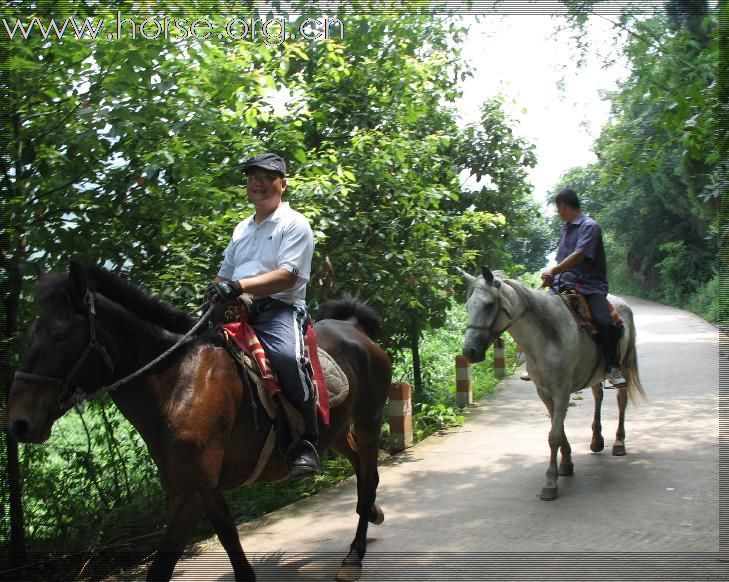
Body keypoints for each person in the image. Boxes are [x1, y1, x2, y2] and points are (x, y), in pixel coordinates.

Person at [206, 152, 319, 477]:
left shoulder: (294, 224)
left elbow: (288, 276)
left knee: (286, 358)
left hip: (280, 309)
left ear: (282, 184)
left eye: (268, 177)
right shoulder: (242, 228)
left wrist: (237, 286)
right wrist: (212, 294)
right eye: (253, 178)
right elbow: (224, 274)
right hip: (237, 309)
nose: (259, 183)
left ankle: (305, 443)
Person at [540, 188, 626, 387]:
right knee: (540, 314)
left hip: (589, 285)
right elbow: (561, 258)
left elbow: (579, 255)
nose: (559, 212)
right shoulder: (566, 228)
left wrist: (554, 270)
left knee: (603, 321)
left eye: (558, 208)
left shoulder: (590, 226)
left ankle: (613, 367)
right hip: (564, 284)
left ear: (563, 205)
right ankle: (539, 364)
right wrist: (553, 276)